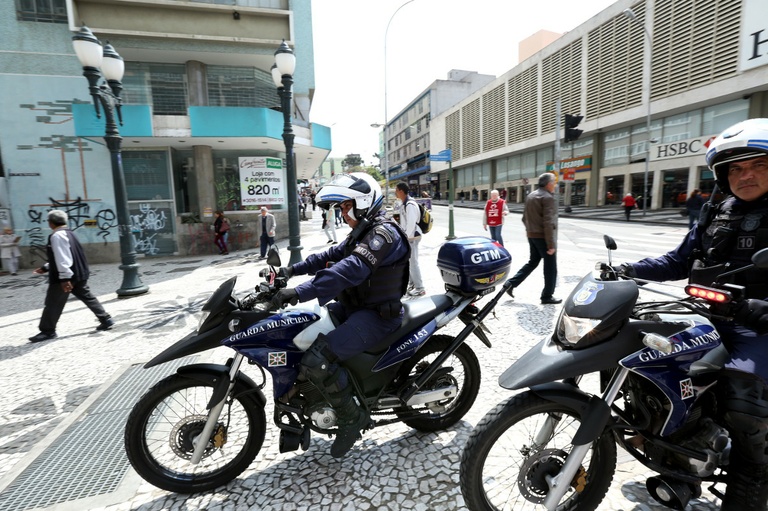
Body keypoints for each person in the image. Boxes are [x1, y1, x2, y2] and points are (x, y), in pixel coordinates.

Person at [616, 118, 768, 510]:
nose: (745, 175)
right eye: (736, 168)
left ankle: (751, 486)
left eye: (758, 166)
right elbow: (678, 260)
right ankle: (680, 459)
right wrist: (629, 270)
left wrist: (755, 308)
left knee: (743, 400)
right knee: (647, 366)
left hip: (757, 328)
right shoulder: (717, 211)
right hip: (706, 317)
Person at [269, 172, 410, 458]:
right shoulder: (363, 231)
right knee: (299, 332)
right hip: (353, 308)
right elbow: (330, 255)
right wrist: (290, 271)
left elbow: (350, 269)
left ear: (363, 201)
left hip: (377, 316)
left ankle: (352, 419)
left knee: (319, 359)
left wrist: (299, 292)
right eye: (342, 208)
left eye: (346, 207)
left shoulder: (383, 234)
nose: (343, 214)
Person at [29, 210, 113, 342]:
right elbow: (63, 256)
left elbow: (63, 257)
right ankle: (105, 319)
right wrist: (45, 268)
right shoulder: (70, 233)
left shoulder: (57, 236)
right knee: (87, 296)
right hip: (78, 272)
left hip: (66, 276)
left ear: (51, 223)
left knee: (53, 303)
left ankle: (47, 331)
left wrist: (64, 278)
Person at [505, 172, 560, 304]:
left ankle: (511, 283)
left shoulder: (531, 195)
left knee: (533, 262)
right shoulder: (547, 197)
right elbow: (547, 222)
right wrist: (551, 245)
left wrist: (530, 231)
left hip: (532, 235)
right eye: (554, 182)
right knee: (550, 267)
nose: (555, 185)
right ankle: (547, 296)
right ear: (549, 184)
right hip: (543, 237)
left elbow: (524, 218)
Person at [395, 181, 425, 297]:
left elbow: (411, 223)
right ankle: (413, 284)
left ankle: (420, 288)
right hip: (410, 236)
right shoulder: (405, 203)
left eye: (396, 190)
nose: (395, 193)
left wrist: (405, 238)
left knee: (413, 262)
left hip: (412, 237)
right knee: (410, 262)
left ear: (401, 191)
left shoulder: (410, 204)